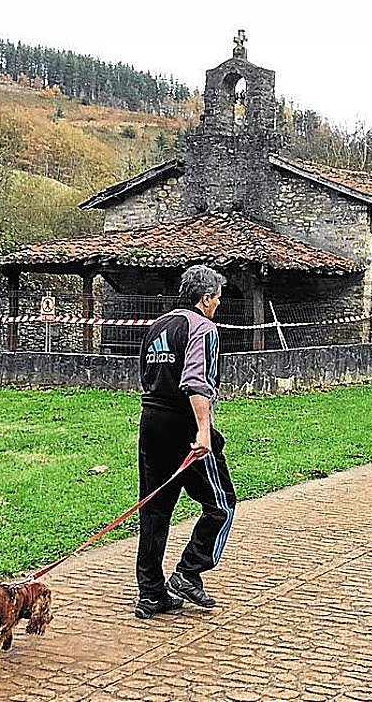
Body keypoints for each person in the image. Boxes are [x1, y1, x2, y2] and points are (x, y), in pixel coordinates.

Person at [134, 264, 237, 620]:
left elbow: (146, 375)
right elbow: (195, 382)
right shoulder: (203, 328)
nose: (218, 305)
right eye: (218, 299)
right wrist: (204, 431)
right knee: (221, 504)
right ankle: (188, 573)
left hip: (151, 422)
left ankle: (150, 593)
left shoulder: (156, 326)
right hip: (185, 425)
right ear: (205, 298)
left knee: (154, 508)